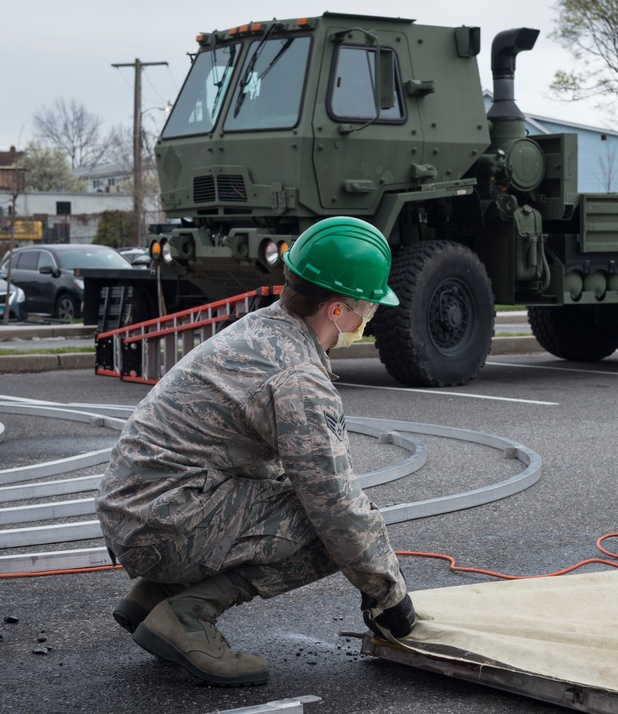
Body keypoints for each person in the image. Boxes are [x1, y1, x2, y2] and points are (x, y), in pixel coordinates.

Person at [95, 217, 415, 687]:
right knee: (333, 529)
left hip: (138, 511)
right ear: (337, 310)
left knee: (291, 492)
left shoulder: (261, 330)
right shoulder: (298, 378)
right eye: (367, 306)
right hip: (161, 524)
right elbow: (337, 509)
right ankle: (187, 616)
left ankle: (154, 595)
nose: (369, 316)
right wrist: (389, 596)